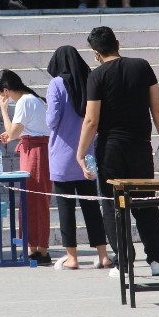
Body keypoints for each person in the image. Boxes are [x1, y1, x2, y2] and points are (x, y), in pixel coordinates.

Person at [75, 26, 159, 277]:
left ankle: (124, 262)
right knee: (145, 202)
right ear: (117, 43)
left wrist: (81, 153)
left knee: (112, 205)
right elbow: (157, 108)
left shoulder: (96, 76)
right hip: (140, 146)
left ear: (95, 54)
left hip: (110, 148)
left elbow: (91, 120)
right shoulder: (142, 66)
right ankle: (157, 260)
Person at [46, 46, 112, 270]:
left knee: (65, 208)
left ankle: (72, 257)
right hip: (87, 154)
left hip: (61, 156)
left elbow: (52, 120)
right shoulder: (90, 80)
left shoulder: (56, 84)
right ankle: (103, 255)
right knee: (92, 206)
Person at [0, 69, 53, 265]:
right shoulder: (32, 99)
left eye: (1, 93)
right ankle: (35, 247)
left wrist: (3, 110)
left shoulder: (24, 101)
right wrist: (11, 133)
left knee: (34, 199)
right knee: (34, 199)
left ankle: (38, 248)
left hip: (35, 152)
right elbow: (19, 131)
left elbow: (12, 132)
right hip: (35, 149)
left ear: (6, 90)